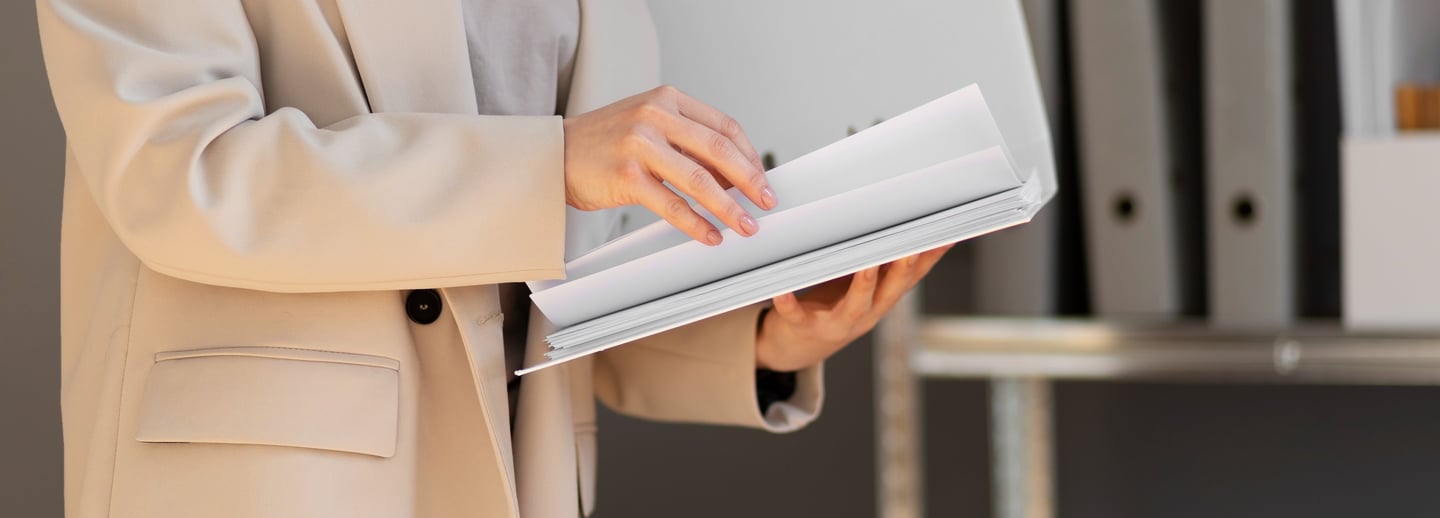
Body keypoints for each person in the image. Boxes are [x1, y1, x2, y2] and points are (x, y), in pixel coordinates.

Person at [37, 0, 952, 516]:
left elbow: (553, 271)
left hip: (524, 479)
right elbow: (184, 172)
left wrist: (763, 333)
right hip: (270, 484)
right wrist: (549, 163)